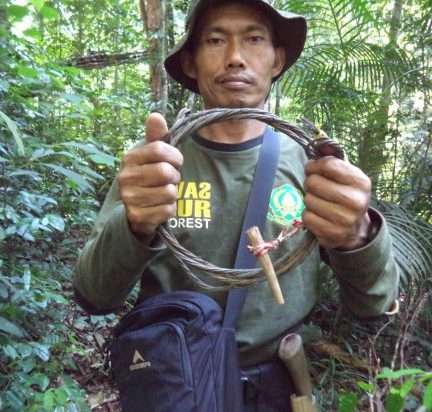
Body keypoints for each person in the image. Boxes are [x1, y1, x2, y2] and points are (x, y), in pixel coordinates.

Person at [73, 0, 399, 410]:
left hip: (280, 385)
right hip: (175, 382)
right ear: (190, 63)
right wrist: (135, 223)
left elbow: (375, 308)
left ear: (277, 60)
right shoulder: (156, 162)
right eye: (215, 40)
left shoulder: (314, 163)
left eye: (254, 39)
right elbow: (94, 296)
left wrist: (358, 236)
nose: (235, 58)